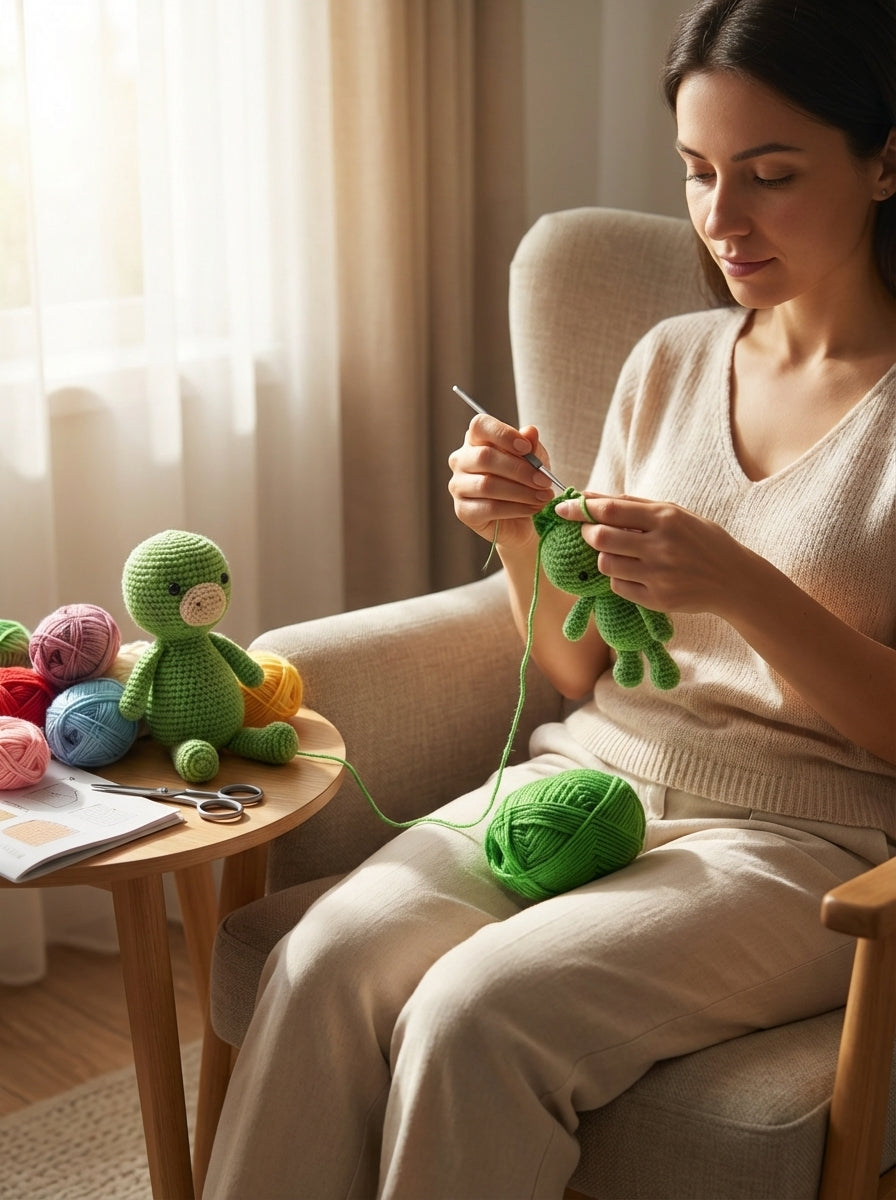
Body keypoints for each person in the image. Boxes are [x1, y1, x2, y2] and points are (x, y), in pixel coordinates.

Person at [205, 1, 896, 1196]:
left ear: (885, 158)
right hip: (589, 775)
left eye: (768, 175)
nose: (719, 220)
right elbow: (574, 671)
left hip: (807, 842)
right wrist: (521, 534)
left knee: (478, 1016)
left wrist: (736, 582)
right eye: (694, 174)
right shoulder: (670, 358)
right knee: (325, 961)